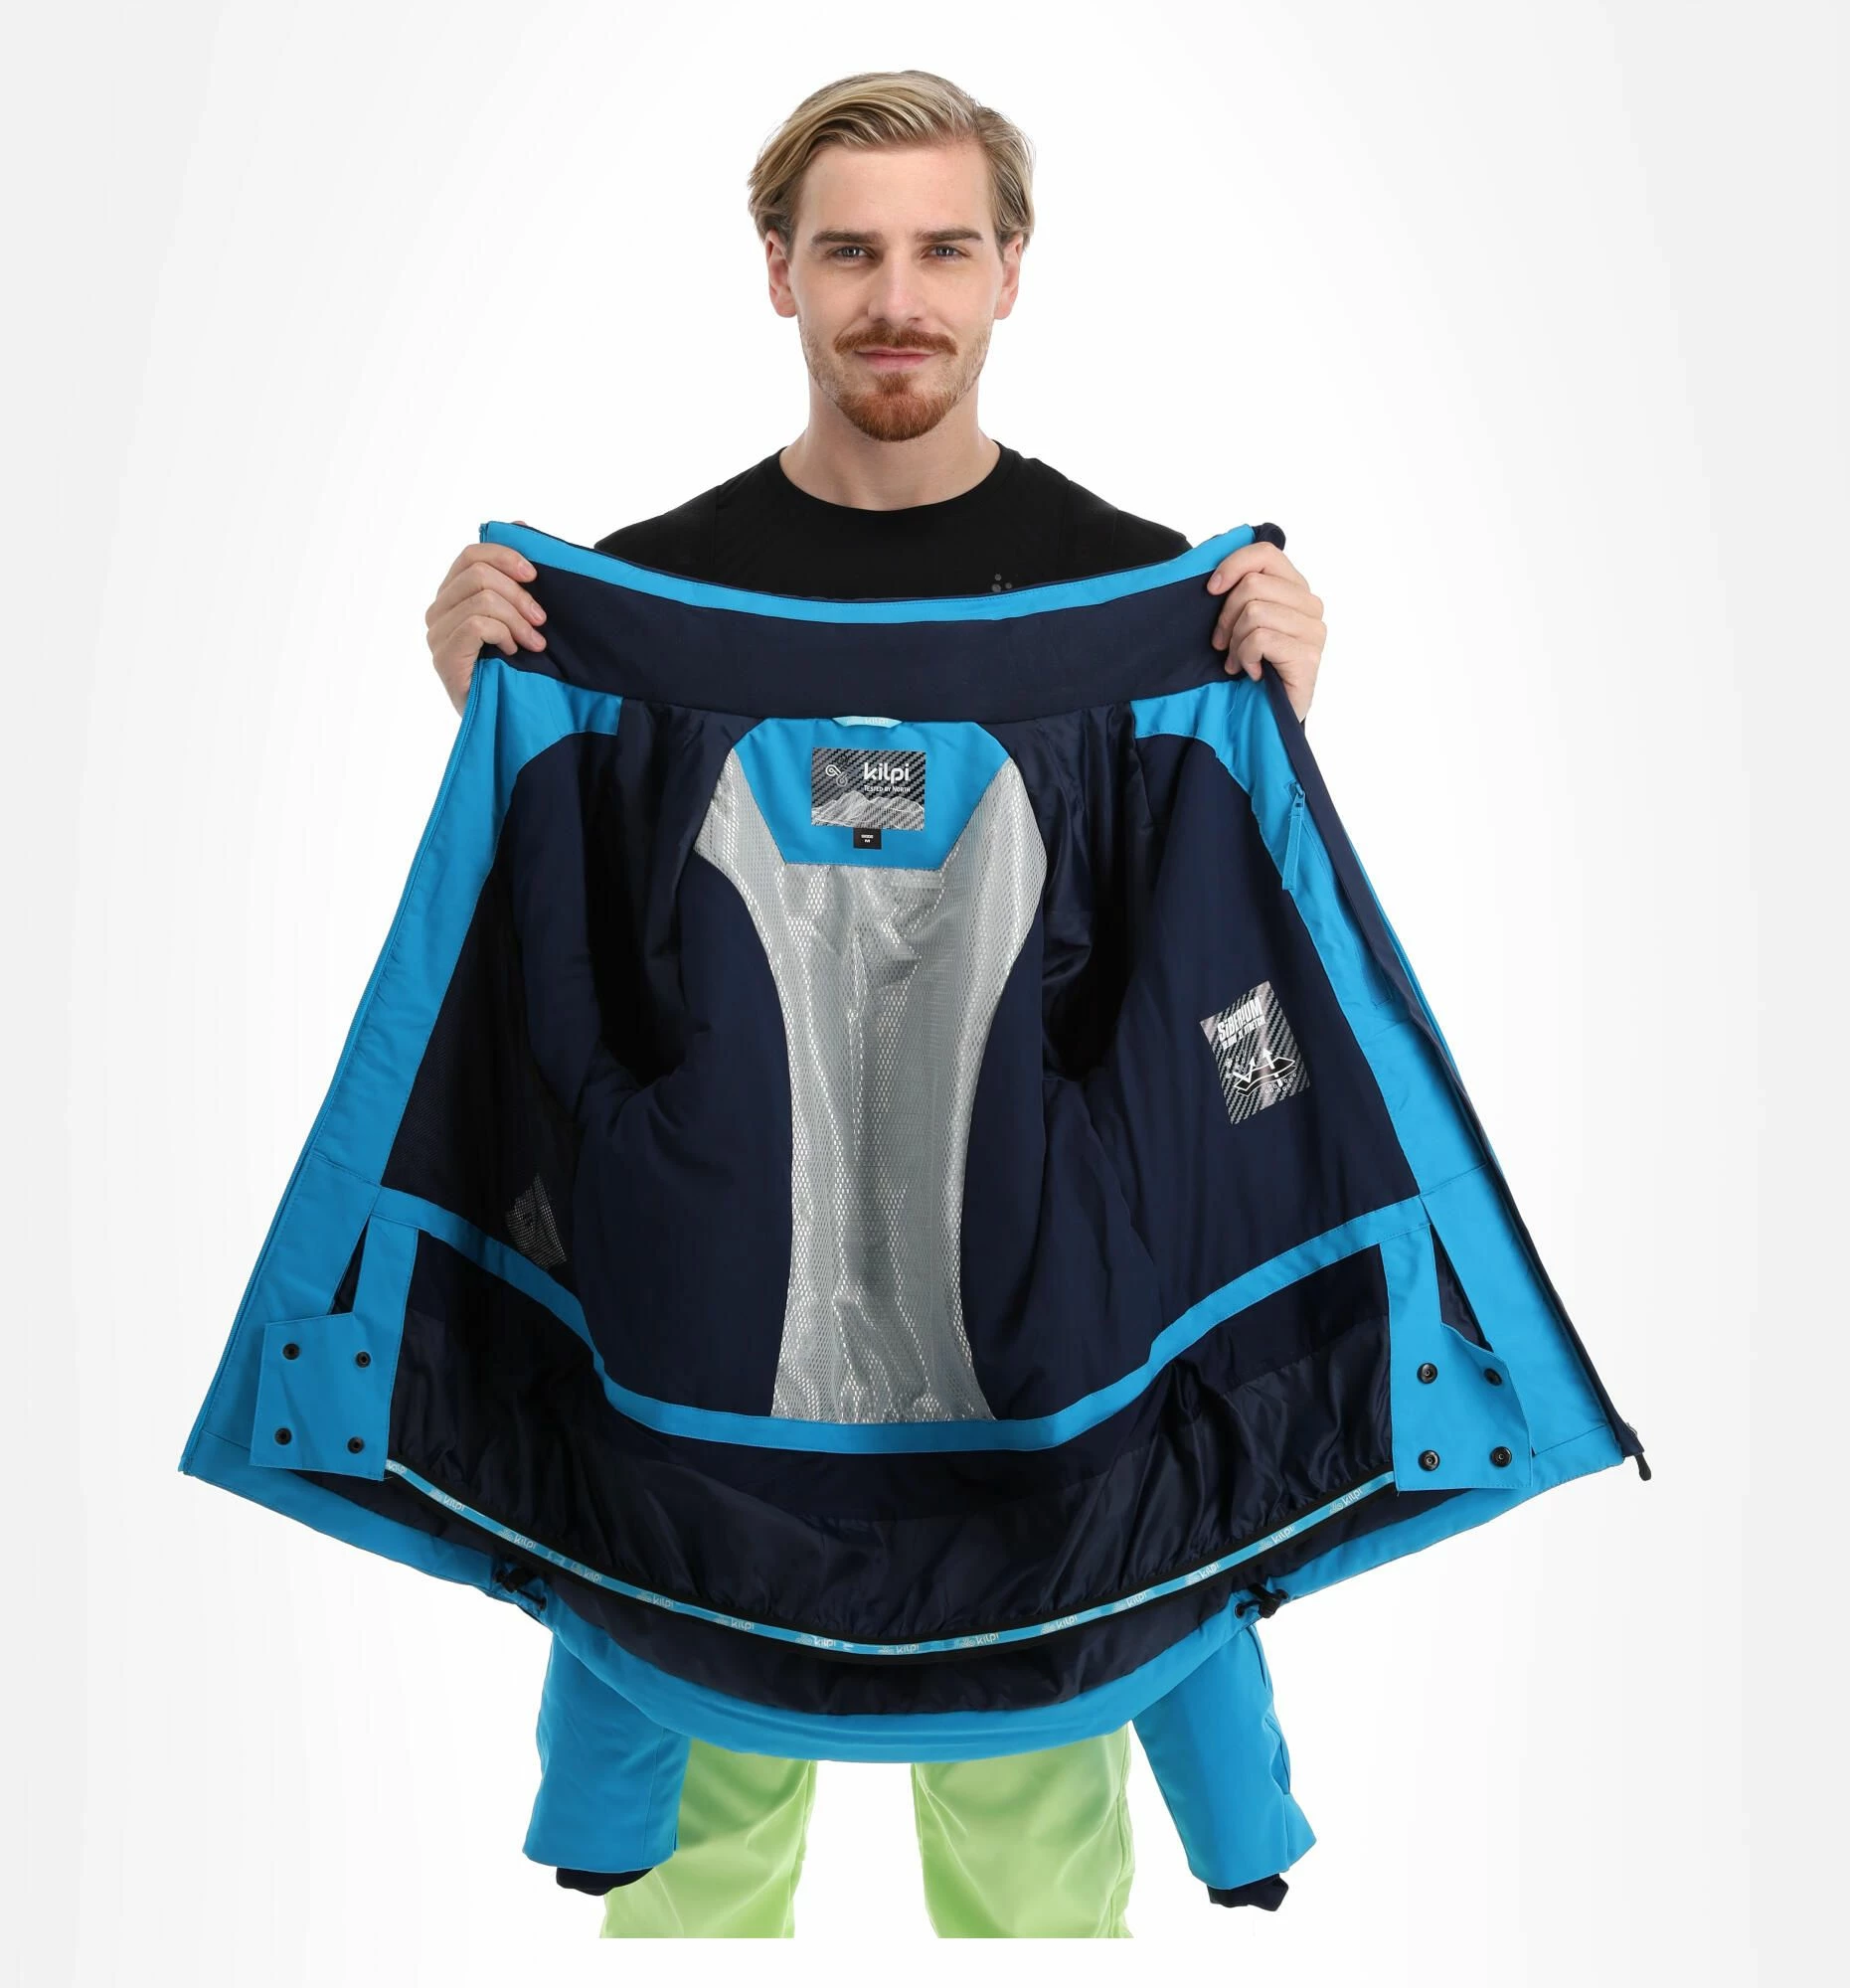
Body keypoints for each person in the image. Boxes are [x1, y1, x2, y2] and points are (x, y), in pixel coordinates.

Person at [420, 69, 1328, 1940]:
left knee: (1038, 1896)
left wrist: (1269, 727)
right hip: (716, 1388)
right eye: (849, 253)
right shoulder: (637, 599)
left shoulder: (1133, 592)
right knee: (697, 1894)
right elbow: (565, 987)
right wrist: (497, 719)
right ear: (779, 272)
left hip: (1033, 1385)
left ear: (1011, 273)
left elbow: (1188, 995)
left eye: (941, 250)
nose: (895, 298)